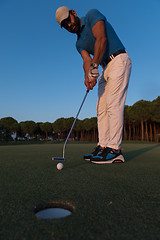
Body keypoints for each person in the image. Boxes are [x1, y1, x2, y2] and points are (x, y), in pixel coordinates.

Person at [55, 6, 132, 164]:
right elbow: (86, 61)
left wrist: (94, 67)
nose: (69, 25)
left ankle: (115, 150)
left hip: (118, 60)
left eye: (68, 20)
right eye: (64, 25)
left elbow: (101, 39)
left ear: (74, 13)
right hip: (104, 67)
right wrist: (88, 77)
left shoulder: (92, 15)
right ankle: (103, 146)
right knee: (101, 108)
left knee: (113, 104)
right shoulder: (78, 44)